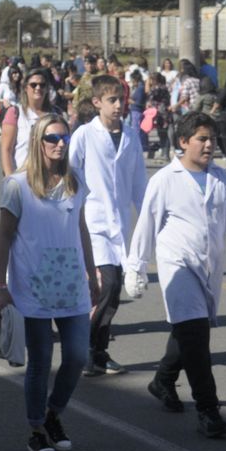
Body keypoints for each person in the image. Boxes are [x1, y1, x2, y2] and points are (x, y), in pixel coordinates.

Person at [126, 111, 226, 439]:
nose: (208, 145)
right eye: (201, 139)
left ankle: (162, 379)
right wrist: (136, 266)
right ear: (183, 142)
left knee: (189, 330)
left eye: (212, 139)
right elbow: (147, 224)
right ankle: (208, 409)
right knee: (197, 336)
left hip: (209, 268)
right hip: (178, 265)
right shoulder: (165, 180)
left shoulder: (223, 179)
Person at [0, 114, 99, 451]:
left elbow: (81, 230)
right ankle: (37, 429)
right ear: (38, 142)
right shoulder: (17, 185)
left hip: (72, 285)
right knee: (40, 362)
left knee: (78, 356)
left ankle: (54, 413)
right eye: (52, 138)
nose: (60, 144)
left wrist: (92, 272)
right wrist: (0, 285)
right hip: (33, 286)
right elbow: (4, 237)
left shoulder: (75, 182)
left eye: (64, 138)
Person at [71, 75, 149, 376]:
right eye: (112, 100)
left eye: (121, 99)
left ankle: (97, 352)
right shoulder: (84, 135)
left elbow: (139, 183)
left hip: (121, 225)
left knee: (113, 291)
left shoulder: (130, 136)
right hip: (92, 222)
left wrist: (147, 217)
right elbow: (70, 174)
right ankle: (90, 350)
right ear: (97, 103)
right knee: (108, 286)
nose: (119, 105)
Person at [0, 66, 52, 176]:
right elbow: (6, 150)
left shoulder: (56, 115)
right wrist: (10, 180)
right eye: (33, 85)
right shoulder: (15, 113)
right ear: (25, 88)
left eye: (42, 85)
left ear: (47, 89)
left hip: (49, 180)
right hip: (22, 178)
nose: (38, 88)